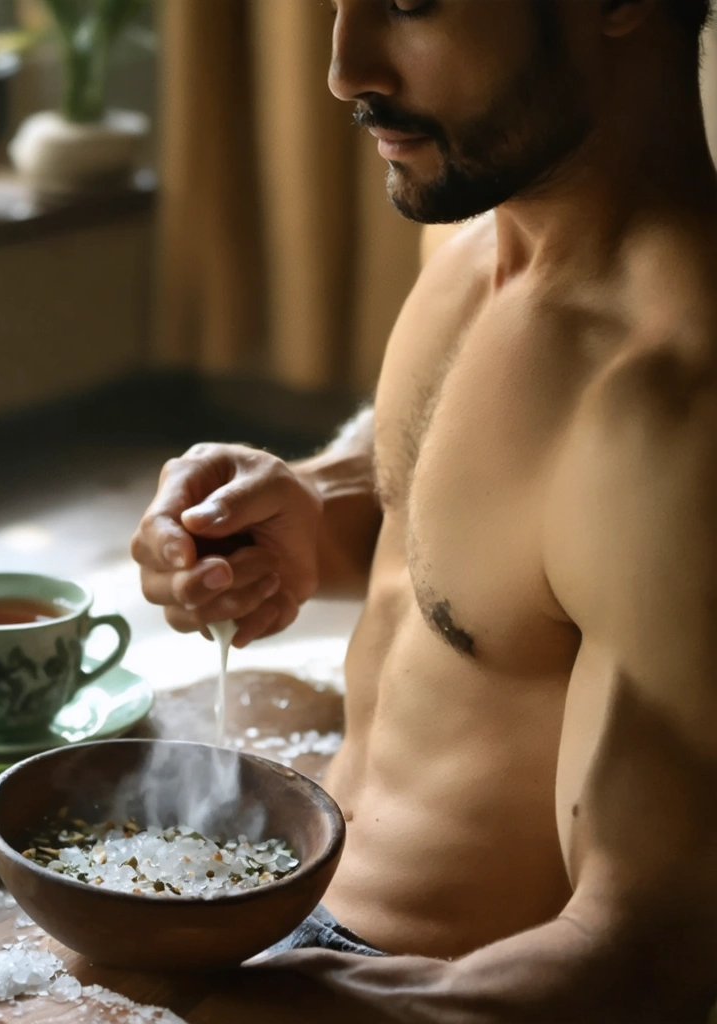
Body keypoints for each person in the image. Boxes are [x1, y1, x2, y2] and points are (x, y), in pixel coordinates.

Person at [130, 0, 717, 1020]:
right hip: (287, 900)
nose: (343, 69)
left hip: (409, 983)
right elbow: (478, 537)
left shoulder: (676, 409)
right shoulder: (475, 236)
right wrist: (313, 500)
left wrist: (246, 1002)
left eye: (408, 4)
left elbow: (651, 953)